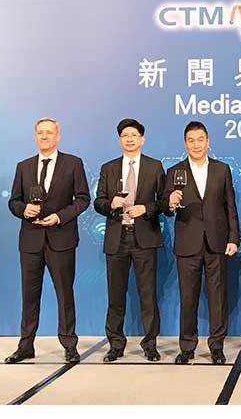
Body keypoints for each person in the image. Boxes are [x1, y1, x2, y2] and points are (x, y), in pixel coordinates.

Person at [5, 117, 90, 364]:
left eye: (49, 132)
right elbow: (13, 201)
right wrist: (24, 210)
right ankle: (25, 346)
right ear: (35, 136)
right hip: (30, 241)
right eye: (40, 132)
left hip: (61, 239)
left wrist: (59, 217)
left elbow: (83, 199)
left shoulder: (73, 163)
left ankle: (69, 345)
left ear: (57, 136)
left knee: (64, 294)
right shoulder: (24, 166)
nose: (44, 136)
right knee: (29, 296)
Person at [163, 121, 240, 365]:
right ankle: (187, 347)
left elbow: (230, 206)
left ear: (208, 141)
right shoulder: (174, 172)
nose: (196, 145)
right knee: (188, 298)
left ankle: (217, 347)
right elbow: (165, 208)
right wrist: (170, 203)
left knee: (218, 297)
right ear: (185, 143)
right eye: (191, 140)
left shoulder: (221, 169)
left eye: (200, 140)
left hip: (217, 242)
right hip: (188, 242)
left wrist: (233, 238)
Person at [93, 118, 166, 363]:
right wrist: (111, 204)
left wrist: (145, 208)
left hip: (144, 236)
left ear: (142, 139)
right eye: (125, 135)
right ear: (119, 140)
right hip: (117, 237)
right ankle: (115, 345)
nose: (130, 139)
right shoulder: (109, 168)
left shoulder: (154, 167)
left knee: (148, 295)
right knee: (116, 296)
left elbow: (164, 202)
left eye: (134, 135)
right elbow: (98, 202)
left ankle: (150, 345)